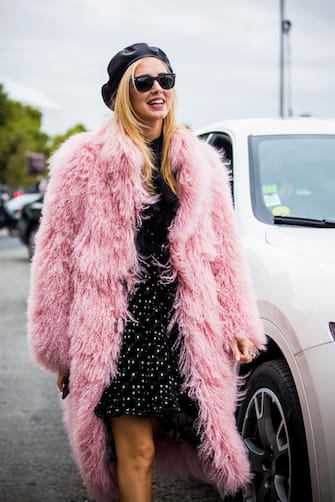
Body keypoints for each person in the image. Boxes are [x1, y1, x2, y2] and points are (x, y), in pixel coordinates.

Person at [27, 42, 266, 502]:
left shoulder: (201, 165)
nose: (158, 89)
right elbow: (54, 257)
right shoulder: (83, 161)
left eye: (166, 80)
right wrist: (57, 347)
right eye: (144, 82)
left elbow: (224, 253)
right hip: (117, 327)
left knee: (164, 441)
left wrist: (238, 321)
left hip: (185, 324)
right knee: (135, 452)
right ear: (122, 93)